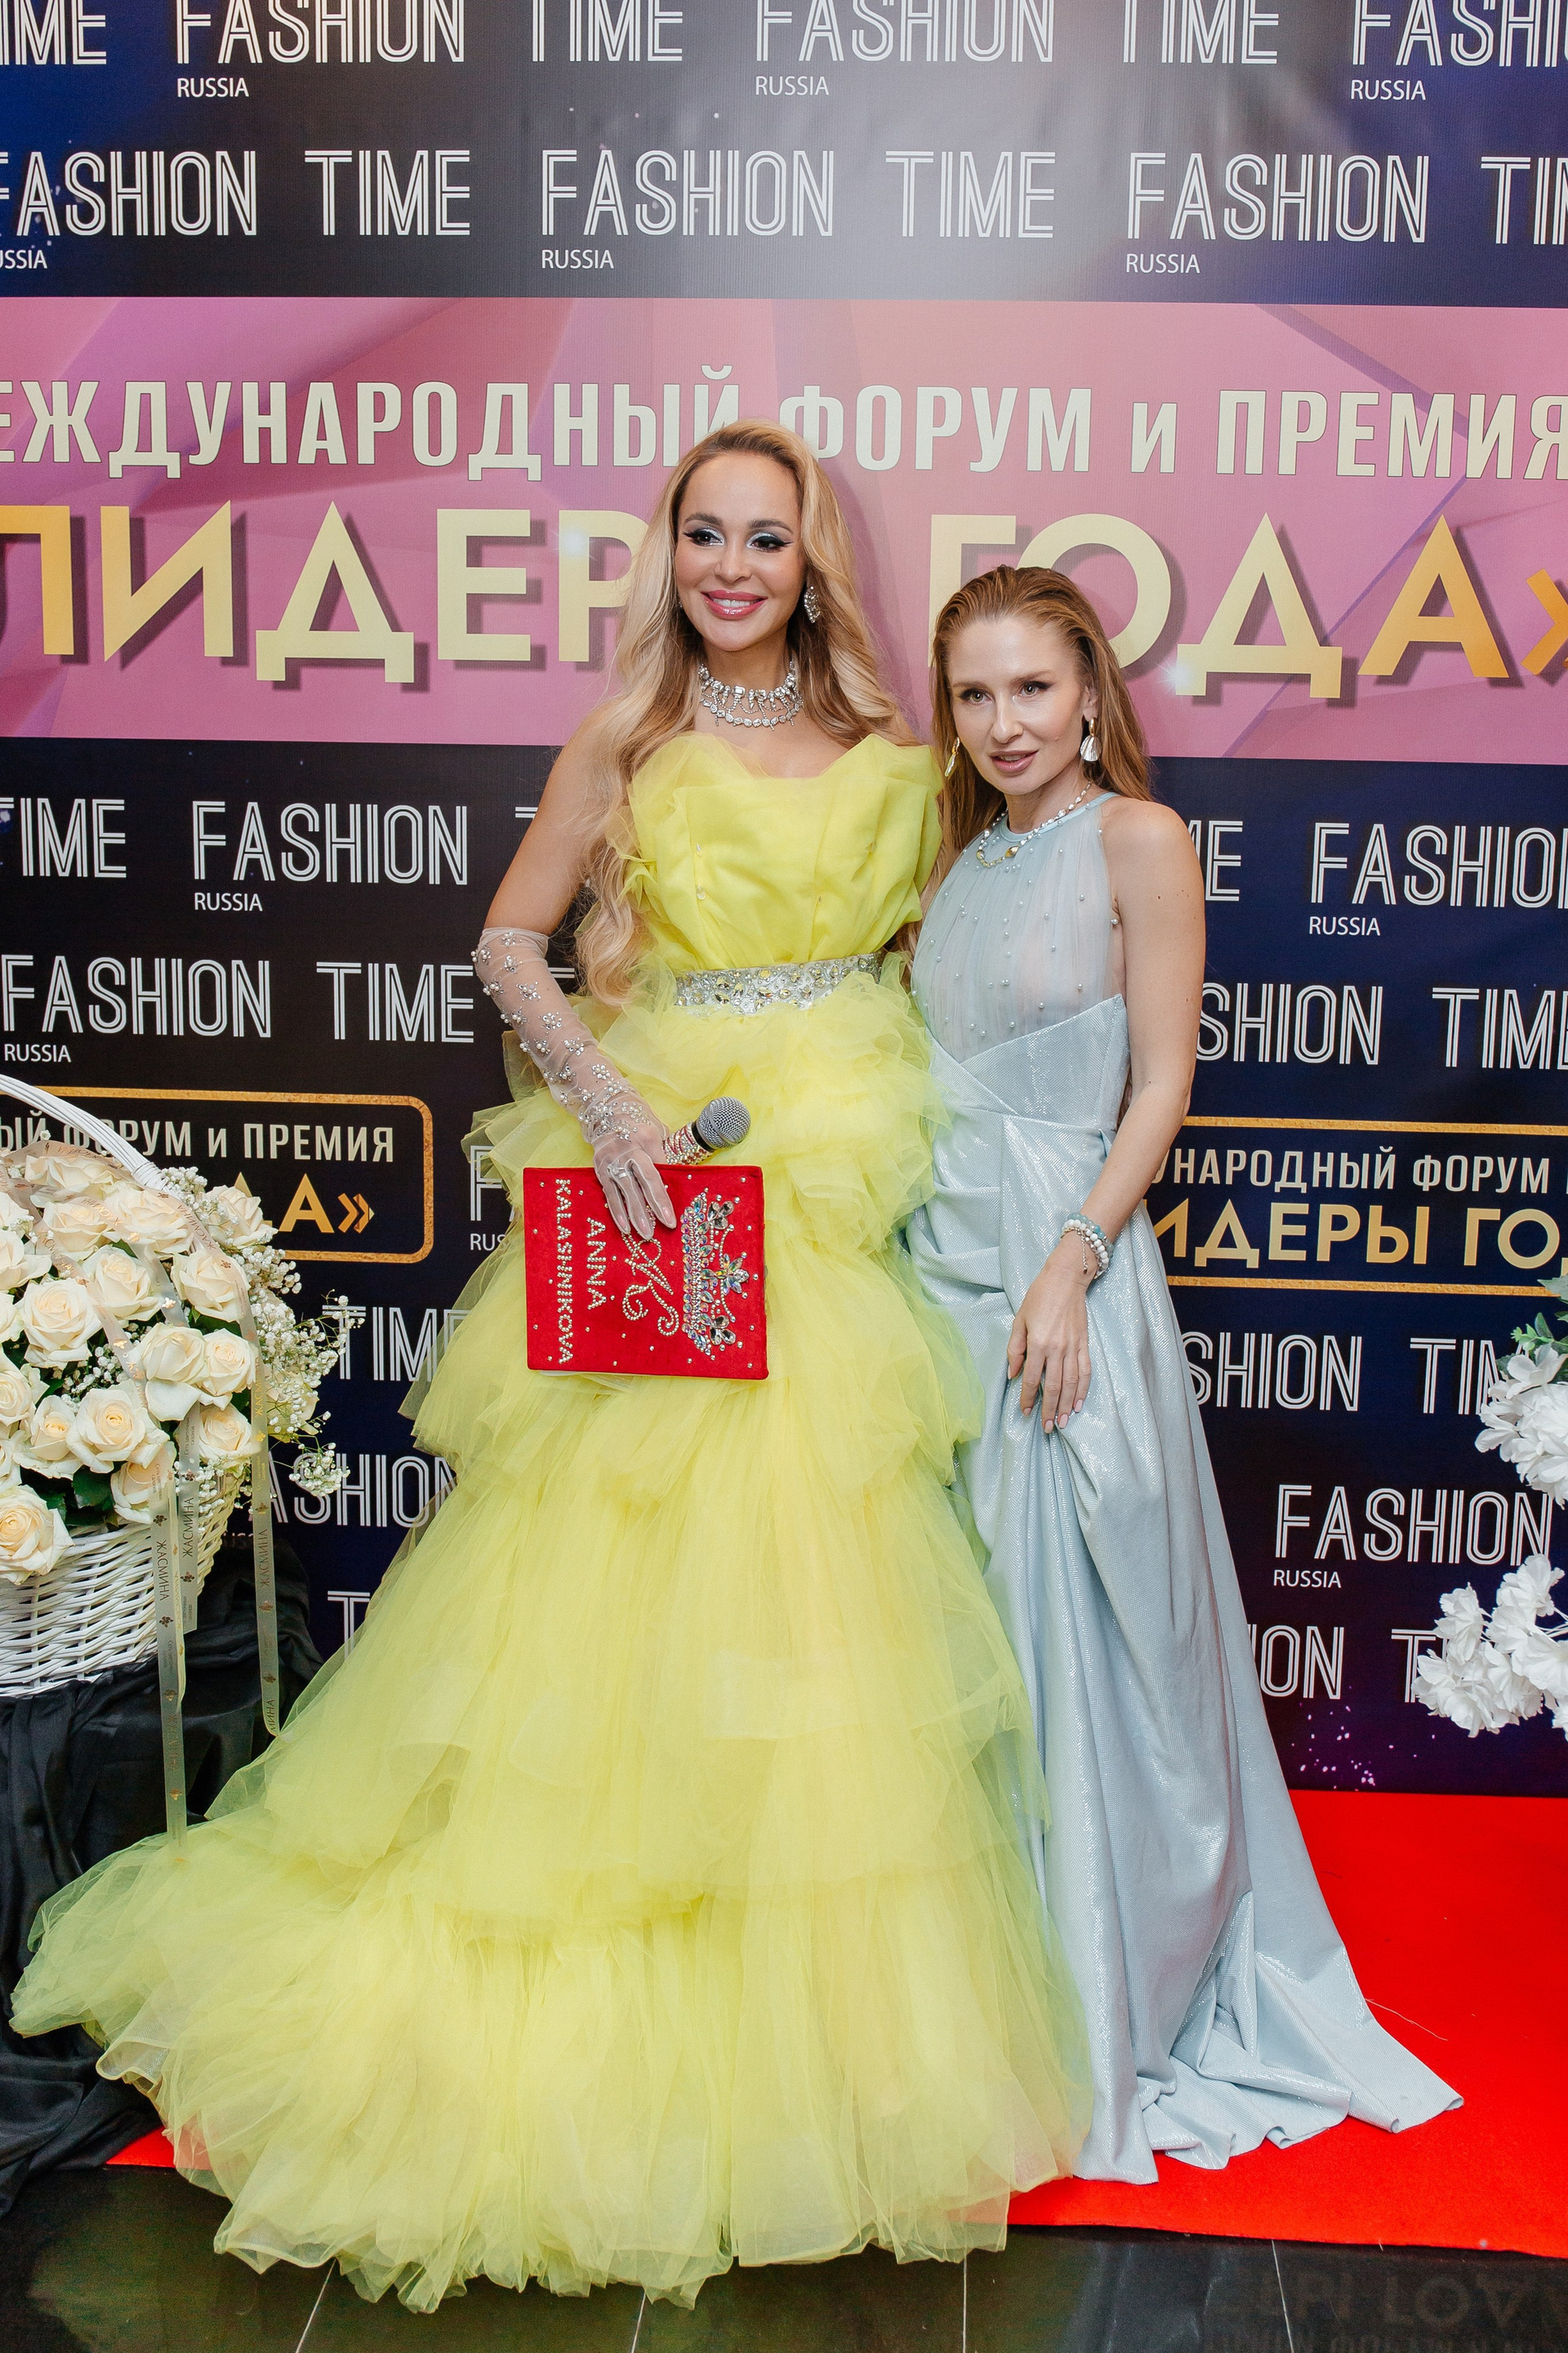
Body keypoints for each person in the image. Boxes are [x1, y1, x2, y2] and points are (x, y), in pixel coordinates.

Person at [13, 430, 1088, 2307]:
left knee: (819, 1572)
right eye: (706, 533)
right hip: (670, 1179)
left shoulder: (897, 754)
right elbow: (511, 945)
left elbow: (958, 953)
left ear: (815, 561)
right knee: (616, 1568)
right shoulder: (625, 741)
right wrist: (606, 1102)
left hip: (842, 1180)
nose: (734, 564)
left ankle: (802, 2044)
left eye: (768, 537)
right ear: (672, 551)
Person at [905, 564, 1457, 2181]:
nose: (1005, 723)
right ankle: (966, 2013)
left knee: (1091, 1642)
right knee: (963, 1646)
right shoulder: (959, 860)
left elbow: (1163, 1083)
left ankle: (1100, 2005)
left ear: (1090, 690)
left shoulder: (1139, 838)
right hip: (936, 1275)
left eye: (1033, 687)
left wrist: (1073, 1258)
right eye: (975, 694)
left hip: (1061, 1274)